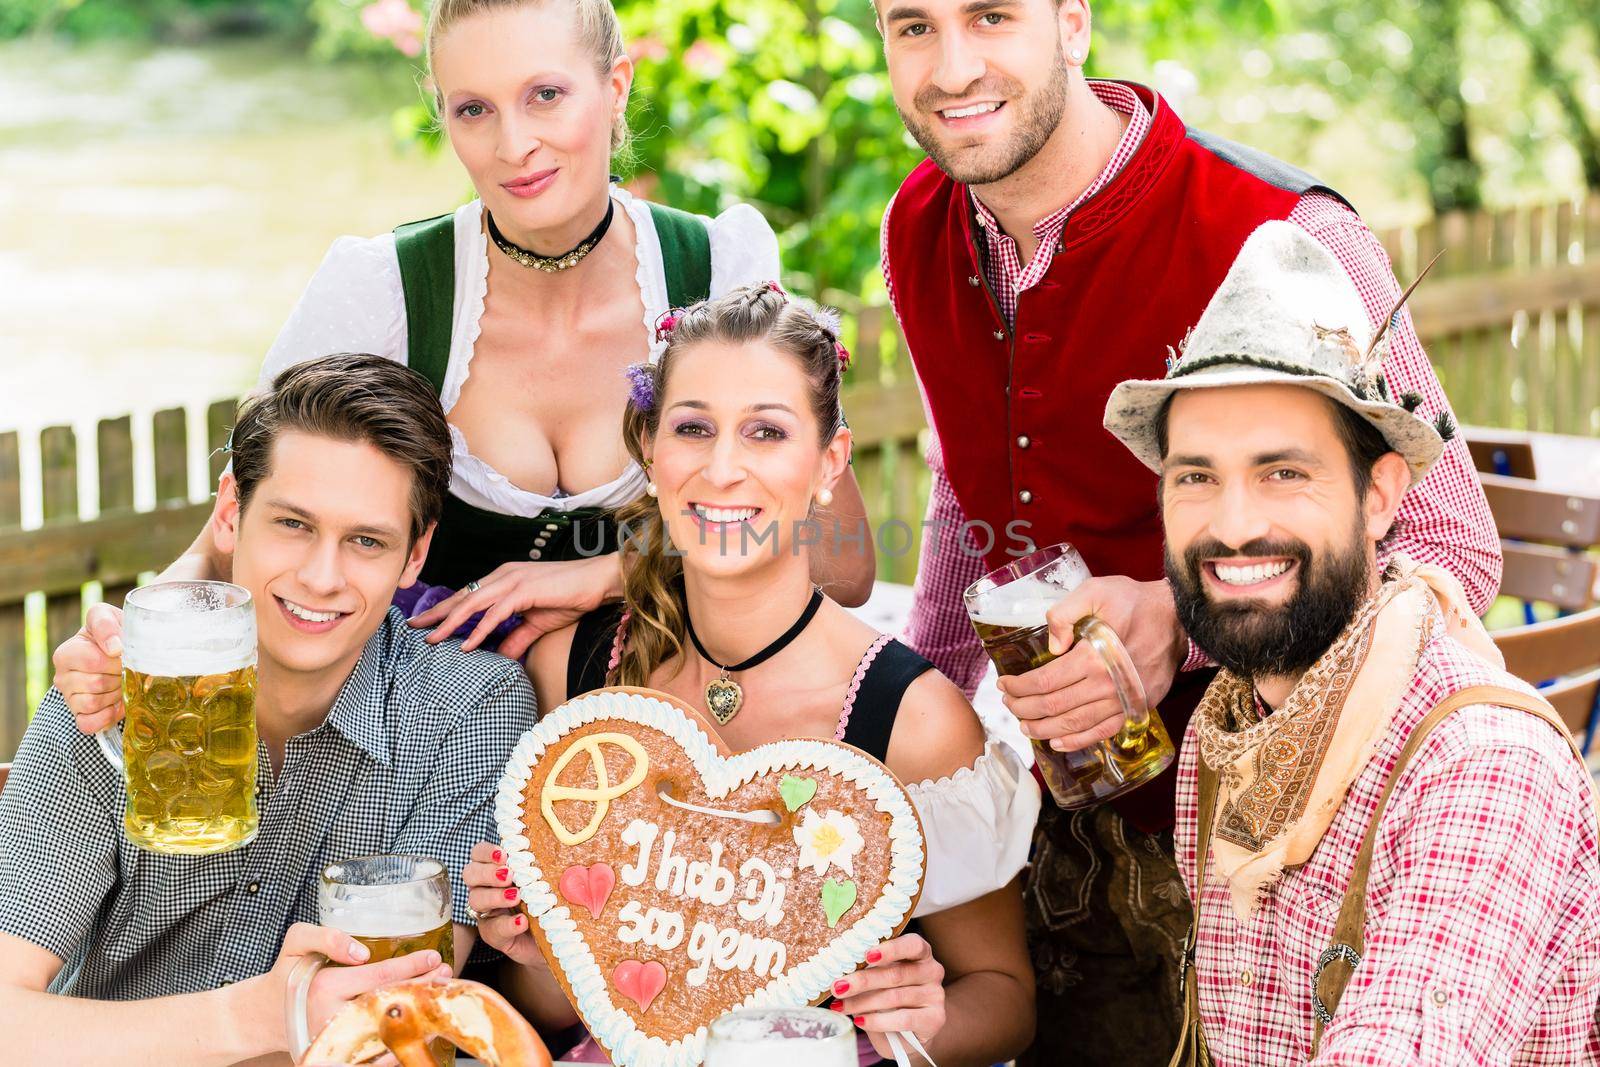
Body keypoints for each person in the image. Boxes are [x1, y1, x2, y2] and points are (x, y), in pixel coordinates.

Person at [871, 0, 1502, 1060]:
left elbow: (1454, 550)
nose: (951, 65)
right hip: (1027, 833)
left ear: (1072, 20)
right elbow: (960, 490)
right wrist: (910, 730)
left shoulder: (1281, 230)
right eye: (912, 26)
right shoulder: (916, 223)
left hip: (1259, 865)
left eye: (991, 16)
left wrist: (1181, 620)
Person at [50, 0, 875, 723]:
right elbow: (230, 537)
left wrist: (600, 575)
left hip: (657, 712)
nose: (515, 144)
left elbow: (842, 564)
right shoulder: (385, 289)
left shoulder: (714, 267)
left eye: (546, 95)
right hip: (416, 732)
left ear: (616, 86)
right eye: (473, 109)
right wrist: (128, 634)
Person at [463, 284, 1040, 1066]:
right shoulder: (575, 671)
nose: (723, 467)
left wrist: (913, 1017)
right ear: (648, 446)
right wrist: (540, 949)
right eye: (693, 428)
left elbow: (1003, 997)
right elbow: (569, 1004)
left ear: (828, 461)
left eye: (766, 431)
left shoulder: (907, 717)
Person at [1101, 220, 1600, 1063]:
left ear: (1380, 497)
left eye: (1283, 472)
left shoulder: (1477, 766)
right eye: (1195, 476)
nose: (1232, 524)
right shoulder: (1223, 735)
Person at [0, 354, 536, 1065]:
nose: (320, 576)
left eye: (366, 540)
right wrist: (263, 1015)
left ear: (415, 555)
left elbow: (399, 1015)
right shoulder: (115, 683)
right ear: (230, 511)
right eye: (292, 523)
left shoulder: (468, 713)